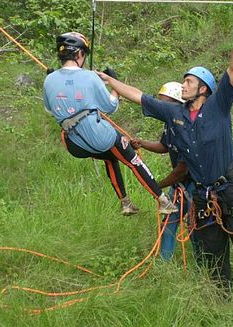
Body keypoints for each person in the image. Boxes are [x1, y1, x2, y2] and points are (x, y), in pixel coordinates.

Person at [97, 5, 233, 304]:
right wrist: (108, 81)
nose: (183, 85)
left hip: (230, 189)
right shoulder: (174, 113)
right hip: (203, 196)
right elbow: (137, 94)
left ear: (204, 89)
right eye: (184, 81)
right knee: (213, 255)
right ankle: (223, 304)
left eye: (189, 82)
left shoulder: (218, 105)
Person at [43, 32, 178, 216]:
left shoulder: (49, 79)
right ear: (80, 54)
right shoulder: (90, 77)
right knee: (132, 159)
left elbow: (50, 110)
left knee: (110, 157)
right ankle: (163, 200)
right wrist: (115, 86)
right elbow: (111, 106)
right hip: (98, 137)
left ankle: (126, 203)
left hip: (73, 144)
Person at [131, 82, 196, 261]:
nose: (162, 108)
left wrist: (156, 186)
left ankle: (204, 267)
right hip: (180, 185)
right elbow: (164, 146)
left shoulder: (187, 127)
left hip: (194, 185)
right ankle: (164, 264)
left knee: (195, 226)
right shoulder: (170, 123)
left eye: (165, 103)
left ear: (176, 104)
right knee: (169, 222)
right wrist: (142, 143)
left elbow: (181, 170)